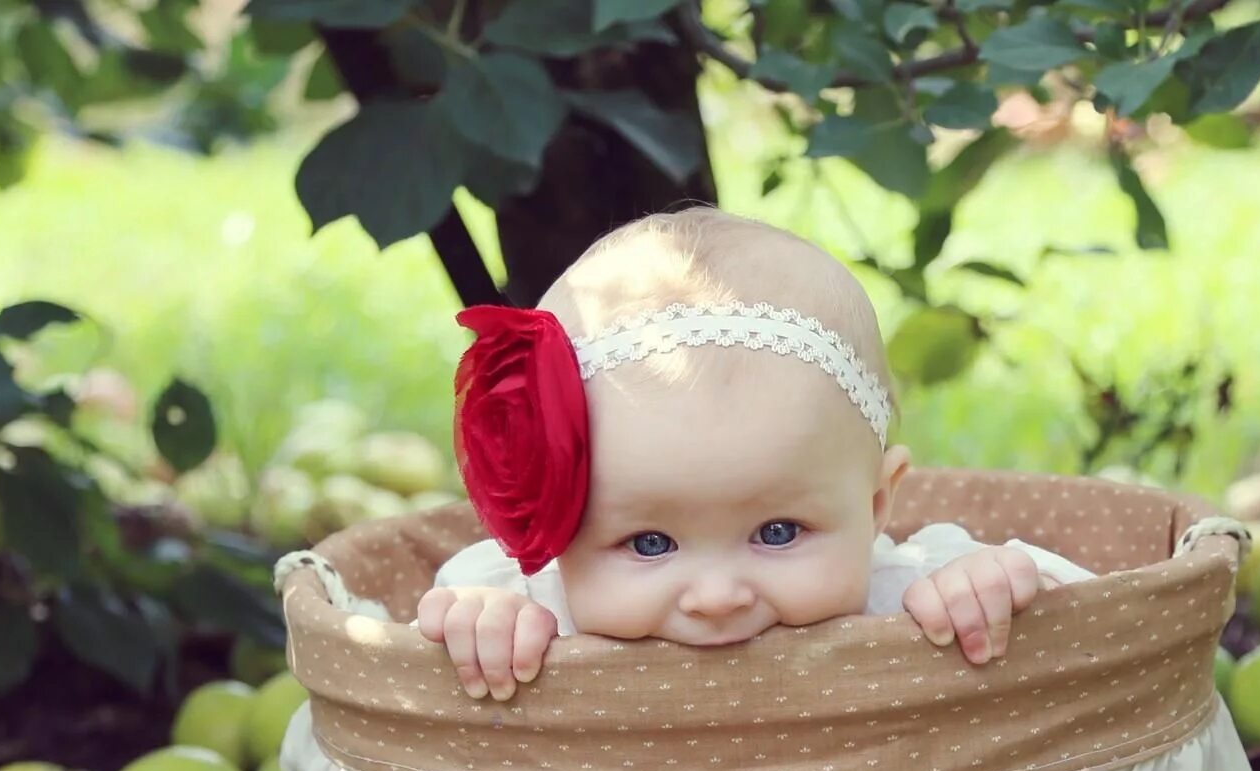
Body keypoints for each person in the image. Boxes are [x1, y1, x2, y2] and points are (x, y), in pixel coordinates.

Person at [420, 206, 1093, 702]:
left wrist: (991, 588)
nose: (717, 597)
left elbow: (1092, 618)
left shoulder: (908, 598)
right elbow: (453, 613)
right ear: (556, 534)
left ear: (878, 503)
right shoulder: (544, 611)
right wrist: (481, 620)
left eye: (778, 532)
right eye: (650, 542)